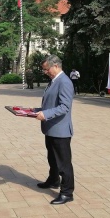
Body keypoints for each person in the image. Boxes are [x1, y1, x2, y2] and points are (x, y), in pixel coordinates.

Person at [35, 55, 75, 205]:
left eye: (47, 69)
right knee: (52, 159)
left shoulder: (64, 82)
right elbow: (50, 104)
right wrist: (34, 111)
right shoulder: (54, 81)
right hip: (51, 128)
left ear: (56, 66)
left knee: (64, 164)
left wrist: (46, 114)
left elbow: (64, 107)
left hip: (60, 130)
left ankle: (67, 192)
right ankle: (53, 180)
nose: (45, 72)